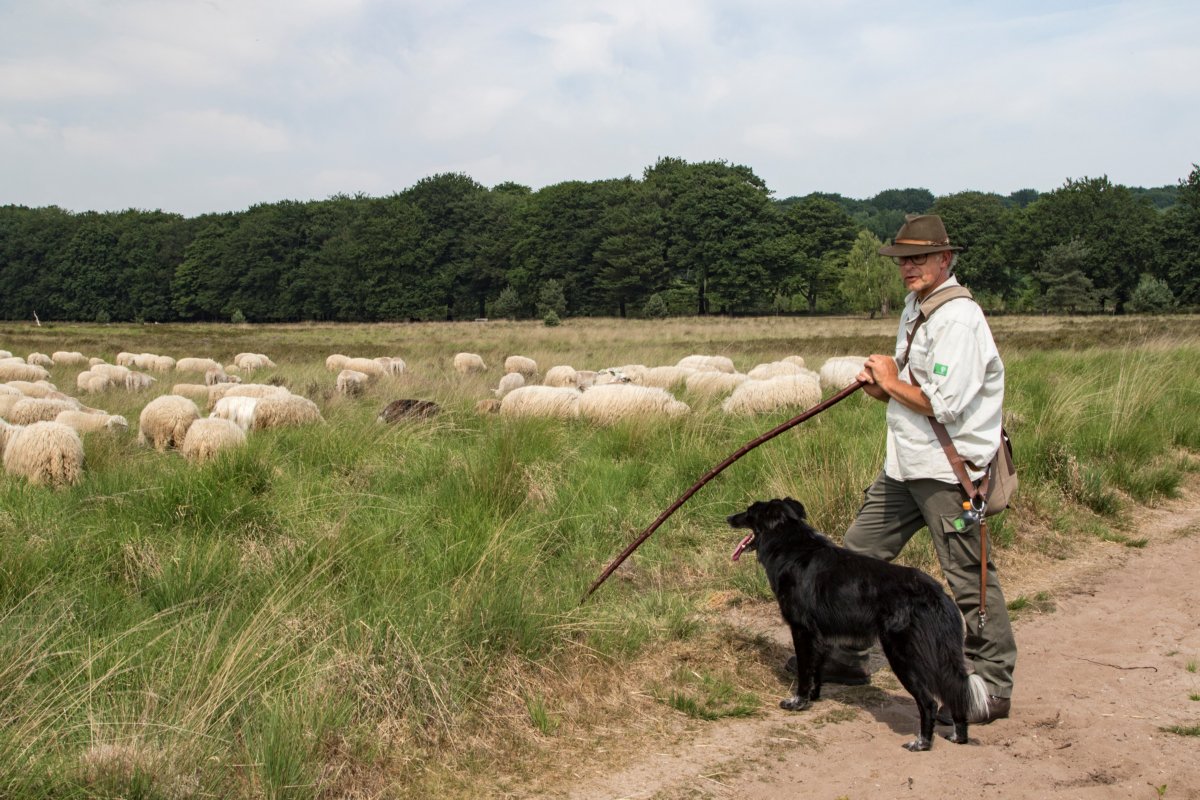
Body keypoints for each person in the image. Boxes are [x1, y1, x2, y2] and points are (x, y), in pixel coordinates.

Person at [825, 213, 1016, 724]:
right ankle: (846, 657)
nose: (908, 267)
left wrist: (889, 380)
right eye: (903, 259)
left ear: (944, 259)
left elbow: (945, 403)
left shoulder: (959, 319)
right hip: (904, 465)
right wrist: (880, 386)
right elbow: (912, 387)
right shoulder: (917, 307)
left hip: (948, 473)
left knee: (968, 577)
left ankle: (993, 685)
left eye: (918, 258)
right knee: (857, 554)